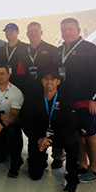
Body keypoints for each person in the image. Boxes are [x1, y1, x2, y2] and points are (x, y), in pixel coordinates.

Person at [20, 70, 79, 192]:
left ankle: (72, 181)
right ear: (41, 81)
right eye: (46, 78)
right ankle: (41, 160)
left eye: (53, 79)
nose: (49, 82)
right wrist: (38, 139)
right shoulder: (32, 97)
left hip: (58, 136)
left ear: (58, 82)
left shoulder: (66, 99)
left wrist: (50, 139)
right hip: (39, 136)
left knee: (72, 144)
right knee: (35, 175)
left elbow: (71, 125)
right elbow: (25, 121)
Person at [57, 17, 96, 183]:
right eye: (64, 30)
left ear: (78, 30)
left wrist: (95, 98)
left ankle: (95, 168)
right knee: (76, 134)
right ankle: (83, 163)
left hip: (87, 101)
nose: (67, 32)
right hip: (68, 101)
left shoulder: (90, 49)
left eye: (70, 29)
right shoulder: (60, 51)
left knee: (90, 135)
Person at [23, 22, 63, 169]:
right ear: (27, 34)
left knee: (54, 120)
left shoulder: (51, 50)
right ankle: (36, 149)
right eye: (30, 31)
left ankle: (58, 155)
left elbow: (56, 72)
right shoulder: (23, 50)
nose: (33, 33)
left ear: (41, 32)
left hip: (49, 90)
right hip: (32, 93)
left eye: (36, 31)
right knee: (35, 121)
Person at [0, 23, 28, 92]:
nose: (8, 33)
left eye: (11, 31)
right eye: (7, 31)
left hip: (21, 84)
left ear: (17, 32)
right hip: (5, 84)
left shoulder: (25, 47)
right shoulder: (1, 49)